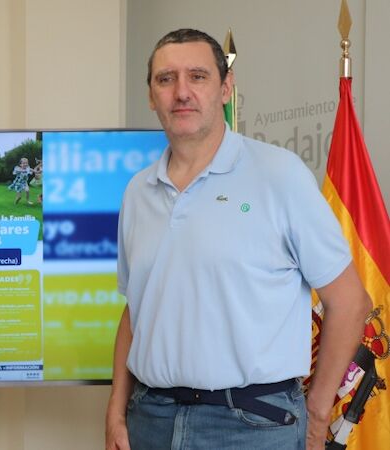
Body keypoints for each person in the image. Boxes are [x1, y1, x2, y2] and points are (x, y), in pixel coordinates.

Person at [105, 29, 372, 450]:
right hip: (151, 420)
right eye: (166, 79)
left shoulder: (280, 175)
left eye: (198, 76)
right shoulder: (138, 192)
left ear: (226, 88)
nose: (181, 92)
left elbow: (351, 302)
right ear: (151, 96)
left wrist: (318, 416)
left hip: (254, 425)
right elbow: (136, 311)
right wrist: (115, 412)